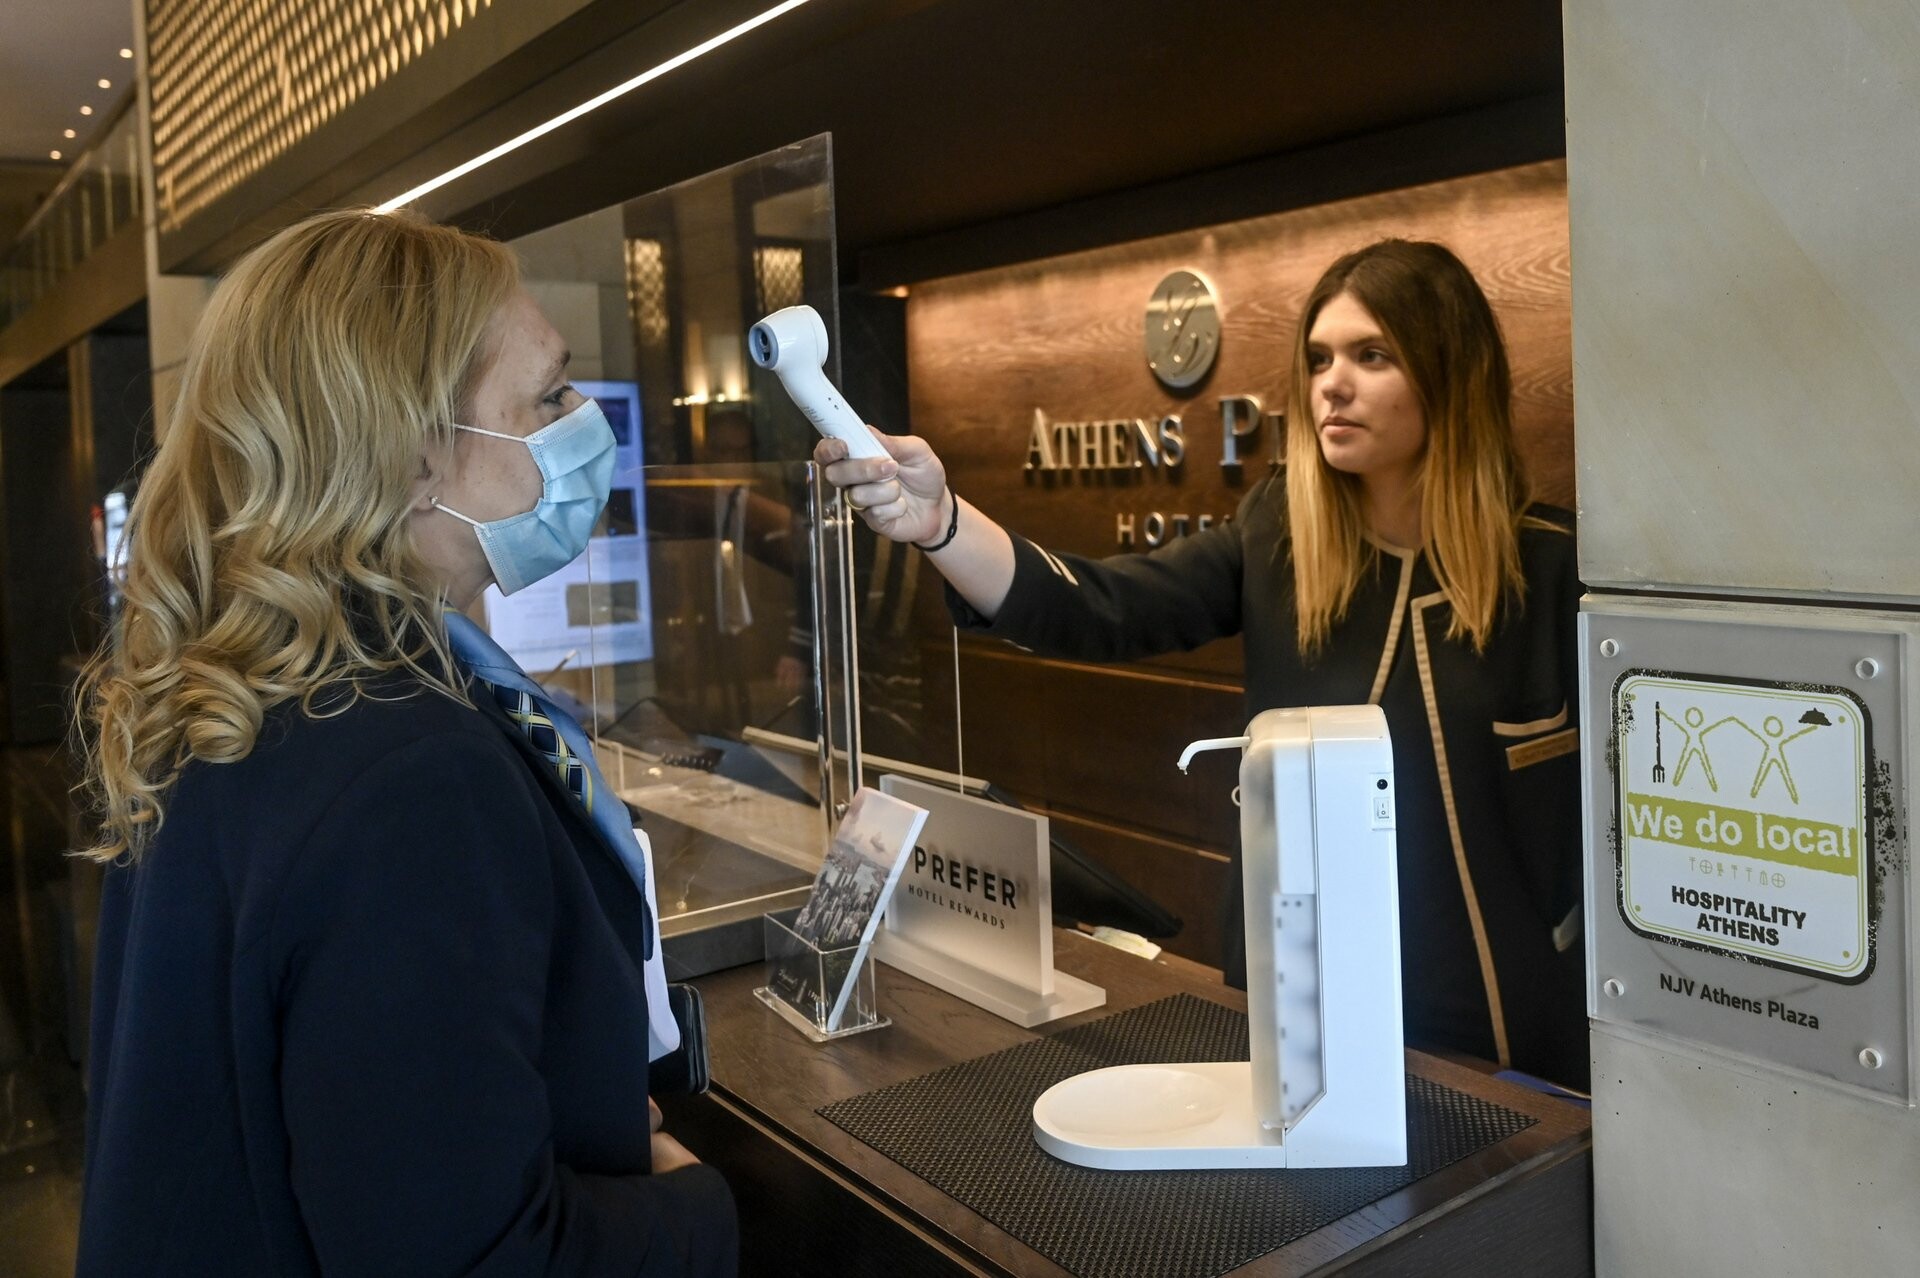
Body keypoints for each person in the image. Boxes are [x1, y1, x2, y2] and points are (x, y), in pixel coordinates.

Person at [72, 210, 738, 1274]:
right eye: (549, 398)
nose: (582, 427)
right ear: (419, 456)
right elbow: (474, 1256)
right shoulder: (412, 777)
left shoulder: (244, 697)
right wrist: (693, 1208)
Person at [817, 239, 1587, 1088]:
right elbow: (1102, 606)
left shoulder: (1557, 568)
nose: (1332, 384)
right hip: (1299, 1008)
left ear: (1452, 373)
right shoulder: (1277, 531)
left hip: (1497, 1030)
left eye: (1373, 356)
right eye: (1320, 358)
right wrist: (942, 525)